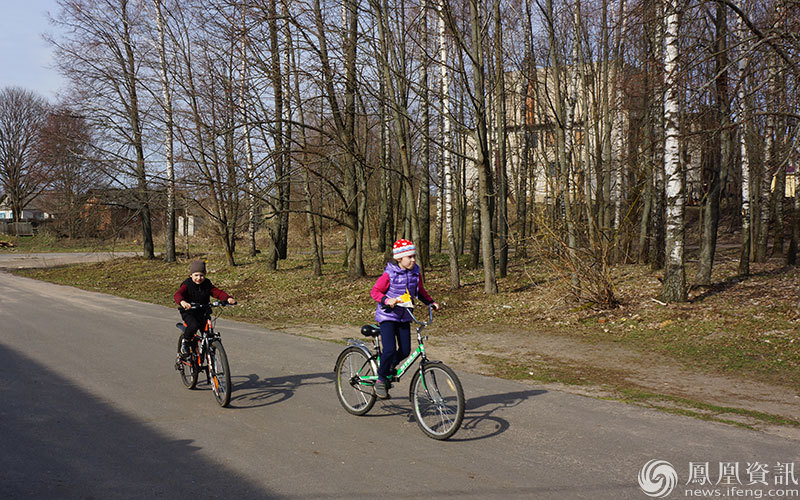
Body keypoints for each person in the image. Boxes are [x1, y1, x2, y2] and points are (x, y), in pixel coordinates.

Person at [370, 239, 439, 399]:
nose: (413, 259)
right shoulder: (389, 274)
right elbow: (375, 292)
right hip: (388, 316)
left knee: (405, 350)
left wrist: (431, 302)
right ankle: (380, 379)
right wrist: (388, 300)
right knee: (389, 350)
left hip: (404, 316)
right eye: (409, 257)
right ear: (399, 258)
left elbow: (420, 291)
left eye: (414, 256)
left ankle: (388, 367)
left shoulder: (415, 272)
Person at [174, 260, 236, 358]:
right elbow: (178, 294)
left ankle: (209, 352)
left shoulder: (207, 284)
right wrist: (183, 302)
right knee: (193, 325)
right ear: (191, 275)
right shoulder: (187, 284)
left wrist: (227, 298)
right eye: (196, 275)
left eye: (202, 275)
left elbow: (217, 292)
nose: (199, 278)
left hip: (203, 311)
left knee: (208, 334)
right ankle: (185, 343)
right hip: (189, 312)